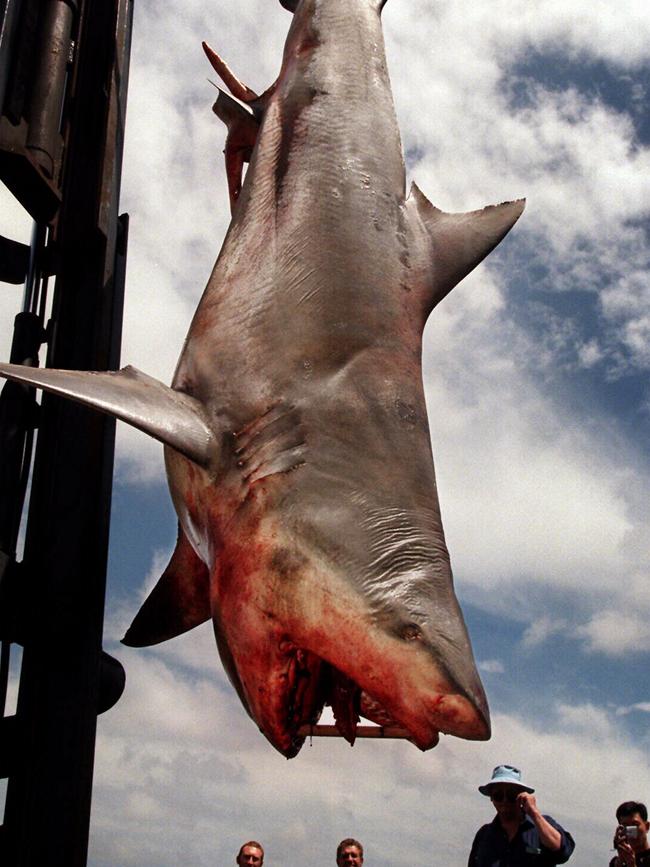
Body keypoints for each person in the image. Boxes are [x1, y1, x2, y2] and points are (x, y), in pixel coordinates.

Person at [468, 764, 575, 867]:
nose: (504, 800)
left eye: (511, 795)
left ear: (521, 796)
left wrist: (534, 813)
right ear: (491, 798)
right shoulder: (484, 835)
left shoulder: (542, 825)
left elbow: (562, 852)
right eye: (498, 795)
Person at [610, 801, 650, 867]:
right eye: (625, 826)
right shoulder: (617, 863)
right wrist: (621, 859)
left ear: (647, 826)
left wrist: (631, 864)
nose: (630, 830)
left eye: (635, 824)